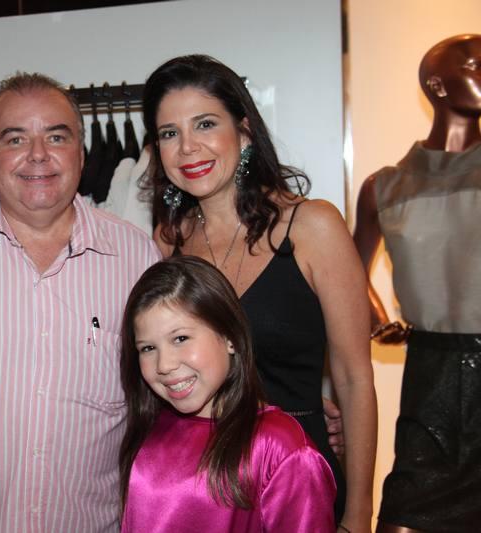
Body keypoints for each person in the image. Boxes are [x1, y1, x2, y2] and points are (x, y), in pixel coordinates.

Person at [0, 73, 160, 532]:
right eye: (15, 139)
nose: (39, 154)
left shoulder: (137, 256)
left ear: (81, 153)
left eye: (57, 137)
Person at [143, 54, 376, 532]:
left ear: (244, 131)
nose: (187, 147)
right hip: (202, 487)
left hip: (297, 480)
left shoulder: (312, 227)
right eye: (169, 133)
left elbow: (354, 378)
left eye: (205, 124)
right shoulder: (169, 240)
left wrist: (358, 514)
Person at [354, 34, 481, 533]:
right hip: (430, 373)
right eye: (475, 65)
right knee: (405, 513)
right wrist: (377, 318)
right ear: (437, 85)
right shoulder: (385, 186)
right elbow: (353, 272)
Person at [119, 255, 336, 532]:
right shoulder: (151, 426)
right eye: (148, 348)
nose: (164, 365)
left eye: (181, 338)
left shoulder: (279, 448)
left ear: (230, 337)